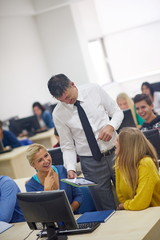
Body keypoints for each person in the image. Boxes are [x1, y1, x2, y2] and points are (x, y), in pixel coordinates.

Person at [47, 73, 124, 210]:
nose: (67, 102)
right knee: (105, 209)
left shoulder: (94, 90)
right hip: (90, 163)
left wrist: (111, 126)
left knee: (128, 198)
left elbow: (117, 112)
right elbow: (67, 145)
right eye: (62, 100)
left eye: (68, 97)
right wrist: (70, 167)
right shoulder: (58, 113)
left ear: (72, 84)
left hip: (116, 153)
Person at [25, 143, 83, 213]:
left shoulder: (63, 170)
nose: (46, 161)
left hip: (74, 217)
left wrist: (69, 210)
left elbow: (78, 195)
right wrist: (47, 191)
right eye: (40, 160)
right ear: (33, 166)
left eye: (46, 155)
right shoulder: (31, 186)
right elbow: (39, 212)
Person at [115, 127, 160, 211]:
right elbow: (121, 195)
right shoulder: (119, 162)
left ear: (127, 146)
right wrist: (127, 205)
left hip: (155, 213)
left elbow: (140, 203)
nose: (115, 143)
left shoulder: (146, 164)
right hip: (134, 212)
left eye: (118, 140)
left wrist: (124, 206)